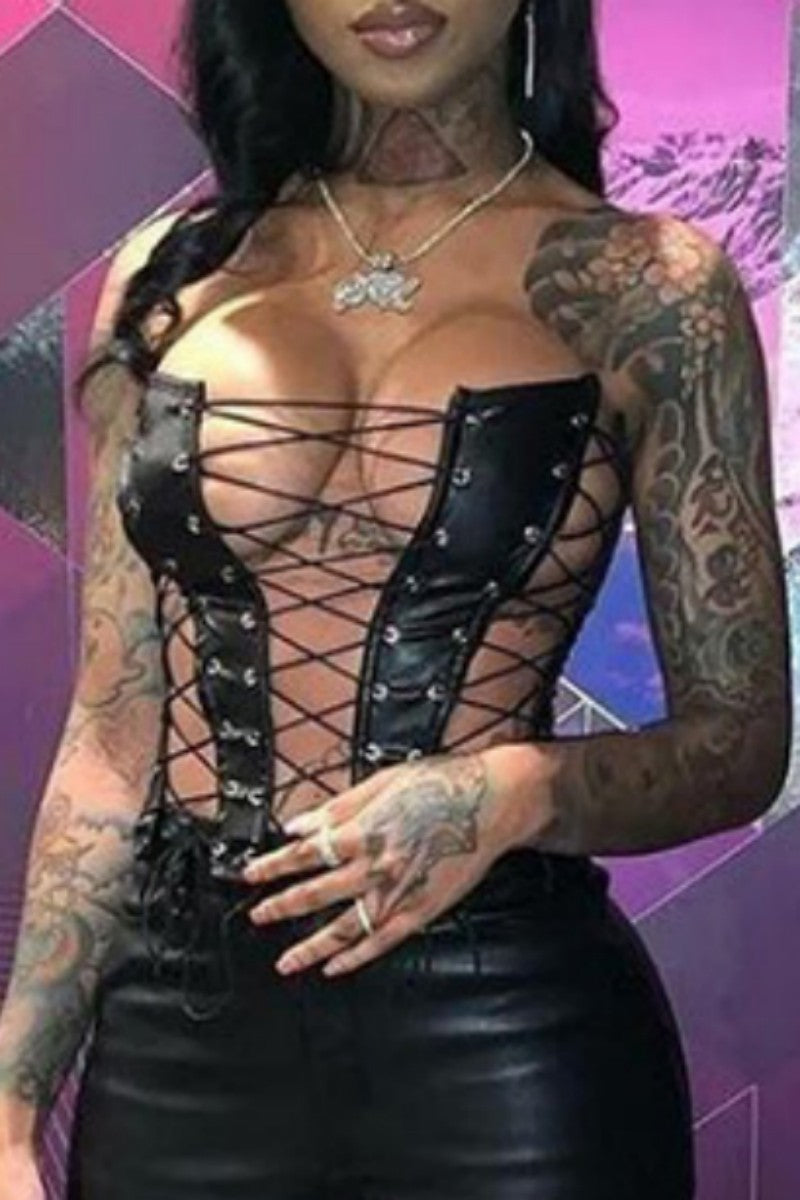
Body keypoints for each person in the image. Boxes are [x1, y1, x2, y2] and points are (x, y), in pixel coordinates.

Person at [0, 1, 791, 1197]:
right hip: (180, 1040)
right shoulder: (174, 280)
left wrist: (513, 790)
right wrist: (13, 1102)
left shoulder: (649, 289)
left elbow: (739, 744)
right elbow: (115, 736)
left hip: (509, 1039)